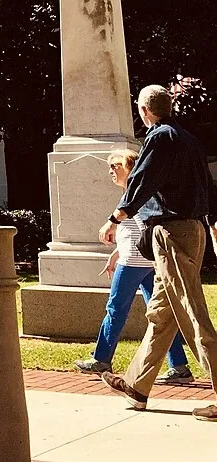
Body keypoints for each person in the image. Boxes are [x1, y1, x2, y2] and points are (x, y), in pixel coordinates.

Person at [98, 84, 217, 421]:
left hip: (171, 233)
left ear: (144, 111)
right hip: (191, 230)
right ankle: (137, 386)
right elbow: (209, 187)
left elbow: (140, 182)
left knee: (193, 312)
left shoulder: (158, 137)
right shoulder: (189, 140)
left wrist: (115, 218)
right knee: (162, 313)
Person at [74, 149, 192, 381]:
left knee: (115, 310)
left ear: (131, 168)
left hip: (134, 264)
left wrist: (128, 256)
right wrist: (116, 254)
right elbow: (138, 232)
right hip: (140, 262)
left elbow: (147, 231)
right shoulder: (136, 194)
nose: (111, 170)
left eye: (116, 165)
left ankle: (101, 359)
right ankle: (179, 367)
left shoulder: (135, 196)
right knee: (160, 315)